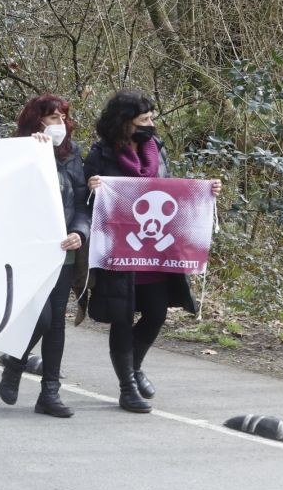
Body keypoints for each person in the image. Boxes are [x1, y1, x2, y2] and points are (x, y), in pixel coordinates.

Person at [84, 90, 221, 414]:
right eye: (144, 120)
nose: (152, 124)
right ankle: (127, 388)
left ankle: (134, 366)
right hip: (121, 251)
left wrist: (207, 190)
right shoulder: (101, 154)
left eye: (151, 118)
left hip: (157, 251)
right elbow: (86, 200)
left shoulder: (155, 148)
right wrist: (93, 190)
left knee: (157, 313)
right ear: (124, 122)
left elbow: (171, 190)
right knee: (122, 317)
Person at [0, 94, 89, 419]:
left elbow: (80, 203)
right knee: (43, 316)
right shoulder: (18, 152)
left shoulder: (73, 155)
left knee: (57, 323)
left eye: (62, 117)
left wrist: (80, 232)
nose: (59, 124)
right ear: (36, 121)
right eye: (51, 118)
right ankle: (16, 361)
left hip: (62, 251)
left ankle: (50, 392)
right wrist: (35, 154)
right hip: (30, 251)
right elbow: (10, 197)